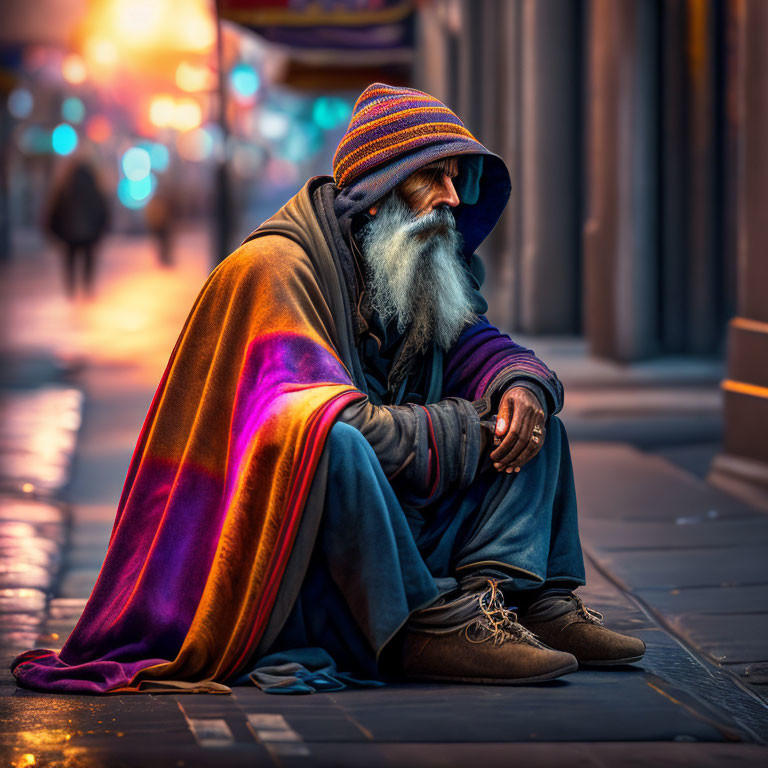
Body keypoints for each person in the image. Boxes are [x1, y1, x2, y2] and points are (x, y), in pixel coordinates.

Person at [11, 83, 644, 695]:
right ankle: (426, 627)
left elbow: (480, 347)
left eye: (457, 179)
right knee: (332, 441)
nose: (452, 197)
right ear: (376, 193)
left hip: (400, 510)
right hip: (300, 541)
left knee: (535, 420)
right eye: (434, 178)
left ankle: (525, 600)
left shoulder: (413, 260)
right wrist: (465, 428)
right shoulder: (274, 270)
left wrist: (520, 386)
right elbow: (325, 422)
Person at [45, 159, 109, 297]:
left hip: (70, 233)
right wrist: (101, 229)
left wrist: (54, 232)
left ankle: (71, 288)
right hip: (90, 233)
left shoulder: (64, 187)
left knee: (70, 260)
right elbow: (102, 210)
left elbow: (54, 211)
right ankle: (87, 286)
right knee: (88, 259)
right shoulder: (94, 187)